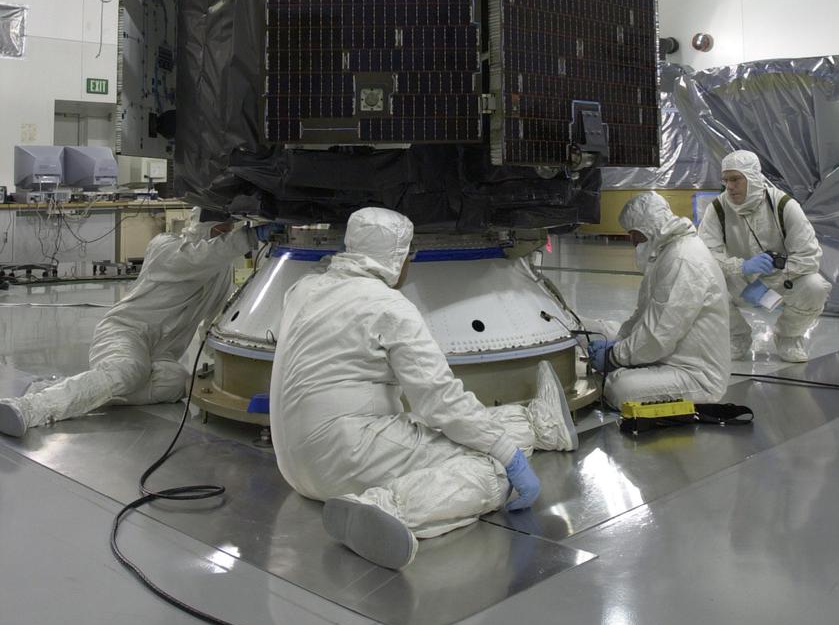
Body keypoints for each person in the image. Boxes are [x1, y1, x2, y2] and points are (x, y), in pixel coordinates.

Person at [269, 206, 578, 572]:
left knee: (439, 429)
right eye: (409, 254)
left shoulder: (302, 289)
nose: (410, 263)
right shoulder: (388, 306)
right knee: (490, 471)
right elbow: (440, 401)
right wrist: (509, 456)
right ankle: (386, 508)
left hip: (293, 464)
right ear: (396, 256)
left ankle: (540, 423)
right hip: (346, 456)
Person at [0, 208, 275, 437]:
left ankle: (68, 387)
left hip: (161, 355)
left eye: (229, 230)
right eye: (221, 231)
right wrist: (249, 237)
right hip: (124, 334)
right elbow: (199, 257)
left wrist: (225, 368)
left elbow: (211, 324)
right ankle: (31, 406)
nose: (226, 235)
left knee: (180, 381)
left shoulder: (221, 274)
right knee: (128, 370)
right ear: (202, 228)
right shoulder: (165, 247)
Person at [587, 191, 730, 408]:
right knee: (598, 329)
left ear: (649, 227)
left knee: (619, 388)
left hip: (695, 374)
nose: (632, 241)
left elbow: (658, 336)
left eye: (634, 234)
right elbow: (643, 313)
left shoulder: (683, 259)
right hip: (669, 355)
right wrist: (619, 342)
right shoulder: (666, 253)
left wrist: (614, 357)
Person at [698, 149, 831, 362]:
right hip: (738, 280)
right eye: (726, 180)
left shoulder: (783, 205)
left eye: (735, 179)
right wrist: (740, 268)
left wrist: (774, 279)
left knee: (815, 287)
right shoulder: (717, 209)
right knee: (700, 282)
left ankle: (788, 337)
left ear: (751, 178)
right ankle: (736, 337)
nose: (729, 187)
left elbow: (809, 256)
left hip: (782, 280)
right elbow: (705, 256)